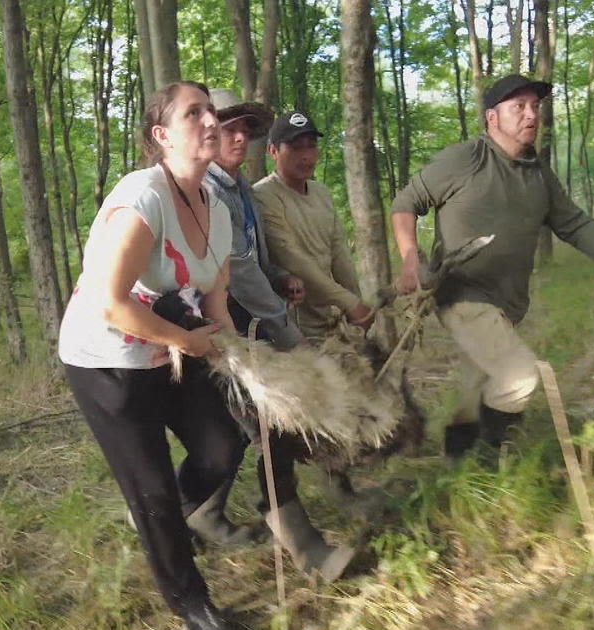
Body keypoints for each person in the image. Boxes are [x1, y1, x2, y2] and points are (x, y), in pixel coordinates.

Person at [389, 74, 594, 460]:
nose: (531, 115)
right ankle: (493, 460)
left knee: (478, 382)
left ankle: (456, 459)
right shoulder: (466, 159)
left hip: (507, 303)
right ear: (492, 117)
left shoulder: (538, 174)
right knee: (520, 376)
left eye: (535, 107)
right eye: (519, 107)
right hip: (462, 295)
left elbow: (575, 224)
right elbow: (406, 202)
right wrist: (411, 257)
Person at [58, 81, 242, 630]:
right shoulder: (143, 198)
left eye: (213, 112)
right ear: (162, 136)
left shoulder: (220, 207)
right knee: (153, 488)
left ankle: (158, 521)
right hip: (105, 359)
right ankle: (192, 605)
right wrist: (187, 341)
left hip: (170, 351)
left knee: (221, 448)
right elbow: (110, 303)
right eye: (194, 114)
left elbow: (215, 298)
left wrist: (239, 360)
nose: (211, 121)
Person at [200, 89, 355, 582]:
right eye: (229, 129)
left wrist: (281, 279)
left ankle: (198, 513)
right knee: (268, 430)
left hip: (243, 328)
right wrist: (289, 333)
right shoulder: (206, 192)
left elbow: (258, 262)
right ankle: (307, 550)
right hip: (212, 332)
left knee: (230, 434)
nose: (239, 138)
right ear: (206, 134)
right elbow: (238, 272)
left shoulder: (239, 190)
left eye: (246, 129)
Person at [253, 111, 375, 340]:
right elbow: (291, 258)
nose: (307, 156)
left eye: (311, 146)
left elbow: (339, 253)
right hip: (291, 325)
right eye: (296, 147)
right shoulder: (264, 196)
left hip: (331, 319)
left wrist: (356, 303)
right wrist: (349, 302)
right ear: (273, 152)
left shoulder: (321, 193)